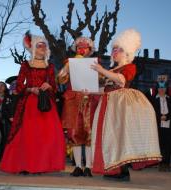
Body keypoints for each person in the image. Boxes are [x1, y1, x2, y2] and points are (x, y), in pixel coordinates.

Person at [90, 29, 161, 181]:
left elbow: (121, 81)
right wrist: (89, 90)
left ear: (127, 52)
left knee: (120, 136)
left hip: (120, 105)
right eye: (113, 49)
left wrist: (101, 70)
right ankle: (112, 169)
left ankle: (122, 171)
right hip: (107, 103)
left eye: (119, 49)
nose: (115, 52)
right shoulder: (111, 70)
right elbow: (105, 88)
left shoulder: (129, 67)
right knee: (109, 138)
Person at [0, 32, 65, 174]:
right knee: (29, 136)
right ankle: (25, 165)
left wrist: (49, 86)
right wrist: (30, 88)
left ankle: (41, 165)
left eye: (44, 46)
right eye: (39, 46)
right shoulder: (26, 65)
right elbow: (19, 85)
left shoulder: (50, 67)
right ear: (34, 48)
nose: (42, 48)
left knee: (47, 136)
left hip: (46, 104)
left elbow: (54, 86)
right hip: (30, 103)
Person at [57, 37, 100, 177]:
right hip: (73, 102)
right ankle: (77, 166)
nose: (81, 50)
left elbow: (102, 80)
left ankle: (88, 167)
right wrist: (68, 66)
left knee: (89, 133)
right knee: (74, 134)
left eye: (84, 47)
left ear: (89, 50)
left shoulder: (96, 63)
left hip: (90, 101)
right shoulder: (68, 63)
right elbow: (60, 79)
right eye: (79, 47)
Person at [149, 80, 171, 172]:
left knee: (168, 145)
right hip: (157, 125)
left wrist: (167, 116)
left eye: (163, 88)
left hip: (168, 125)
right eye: (160, 88)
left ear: (166, 89)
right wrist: (159, 117)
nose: (161, 90)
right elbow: (151, 111)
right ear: (157, 89)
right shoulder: (153, 99)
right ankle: (159, 163)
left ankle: (166, 164)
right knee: (159, 145)